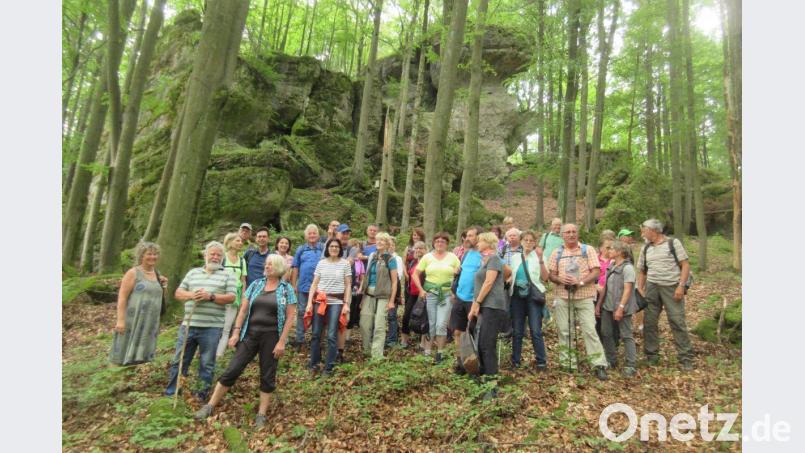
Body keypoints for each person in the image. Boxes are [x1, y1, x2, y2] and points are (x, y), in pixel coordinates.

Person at [194, 255, 297, 428]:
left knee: (267, 375)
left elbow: (290, 317)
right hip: (250, 334)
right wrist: (235, 332)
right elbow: (242, 311)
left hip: (272, 336)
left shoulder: (287, 289)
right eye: (266, 264)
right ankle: (210, 405)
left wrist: (282, 342)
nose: (267, 266)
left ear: (279, 267)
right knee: (233, 368)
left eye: (270, 264)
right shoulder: (256, 284)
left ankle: (261, 415)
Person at [165, 242, 237, 400]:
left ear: (222, 258)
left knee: (206, 363)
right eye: (212, 254)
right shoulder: (193, 273)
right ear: (205, 255)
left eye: (219, 255)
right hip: (188, 325)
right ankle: (172, 393)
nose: (215, 257)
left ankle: (200, 395)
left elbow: (232, 297)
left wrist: (210, 297)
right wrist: (191, 295)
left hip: (212, 327)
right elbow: (178, 292)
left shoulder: (228, 275)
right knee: (180, 360)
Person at [547, 224, 609, 381]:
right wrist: (560, 279)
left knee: (589, 330)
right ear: (562, 235)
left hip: (585, 295)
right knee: (564, 330)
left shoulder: (587, 250)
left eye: (574, 231)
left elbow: (596, 271)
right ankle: (568, 363)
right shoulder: (557, 252)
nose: (571, 234)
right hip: (562, 295)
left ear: (578, 233)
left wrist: (580, 282)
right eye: (567, 232)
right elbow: (551, 275)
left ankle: (598, 364)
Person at [637, 218, 694, 370]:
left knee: (677, 321)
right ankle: (651, 355)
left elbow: (685, 265)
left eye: (644, 229)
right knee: (649, 322)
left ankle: (686, 357)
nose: (642, 232)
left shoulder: (673, 243)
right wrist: (640, 288)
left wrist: (681, 286)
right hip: (652, 287)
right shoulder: (646, 248)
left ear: (653, 230)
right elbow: (642, 270)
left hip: (671, 286)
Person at [467, 232, 511, 400]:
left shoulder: (493, 258)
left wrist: (477, 303)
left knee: (487, 345)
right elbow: (506, 272)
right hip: (483, 306)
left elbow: (489, 282)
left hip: (492, 306)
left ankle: (491, 386)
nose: (477, 243)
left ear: (488, 243)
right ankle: (484, 378)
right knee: (481, 343)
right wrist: (474, 307)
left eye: (480, 240)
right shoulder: (486, 260)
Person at [110, 242, 167, 366]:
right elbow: (122, 297)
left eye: (155, 254)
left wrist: (164, 285)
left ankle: (134, 378)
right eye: (149, 254)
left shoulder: (157, 274)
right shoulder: (133, 273)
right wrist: (120, 320)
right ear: (141, 255)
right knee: (124, 349)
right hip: (133, 319)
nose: (153, 256)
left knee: (143, 353)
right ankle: (117, 377)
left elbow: (158, 296)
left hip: (150, 321)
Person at [412, 232, 460, 363]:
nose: (440, 243)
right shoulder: (427, 257)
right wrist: (421, 290)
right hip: (430, 294)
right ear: (433, 243)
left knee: (441, 325)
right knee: (431, 324)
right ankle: (427, 352)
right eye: (437, 241)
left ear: (447, 244)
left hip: (446, 295)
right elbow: (415, 274)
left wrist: (455, 290)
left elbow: (460, 274)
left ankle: (439, 353)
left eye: (443, 241)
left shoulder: (453, 257)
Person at [306, 238, 352, 376]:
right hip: (320, 301)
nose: (334, 248)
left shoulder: (345, 264)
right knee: (316, 334)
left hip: (336, 302)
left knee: (332, 334)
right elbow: (314, 284)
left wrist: (346, 304)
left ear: (340, 249)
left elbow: (348, 285)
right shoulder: (321, 263)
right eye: (331, 246)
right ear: (327, 248)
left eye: (336, 246)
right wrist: (309, 302)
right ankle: (314, 363)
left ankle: (329, 366)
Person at [596, 240, 639, 376]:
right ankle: (611, 359)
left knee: (626, 335)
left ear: (620, 252)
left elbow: (628, 290)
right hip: (607, 307)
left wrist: (620, 308)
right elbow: (605, 288)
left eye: (612, 249)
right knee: (606, 332)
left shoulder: (628, 268)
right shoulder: (612, 265)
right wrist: (599, 305)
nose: (609, 251)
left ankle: (631, 365)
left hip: (622, 308)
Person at [508, 230, 549, 371]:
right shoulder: (514, 258)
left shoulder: (538, 257)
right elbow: (510, 276)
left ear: (535, 243)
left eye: (531, 240)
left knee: (535, 330)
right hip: (517, 297)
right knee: (517, 330)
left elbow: (545, 277)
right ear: (521, 241)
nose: (528, 243)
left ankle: (541, 361)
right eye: (525, 240)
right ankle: (516, 360)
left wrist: (541, 259)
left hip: (533, 297)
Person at [358, 232, 398, 359]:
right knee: (364, 323)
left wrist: (392, 301)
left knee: (379, 325)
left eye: (382, 240)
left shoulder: (390, 259)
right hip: (369, 294)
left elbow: (395, 281)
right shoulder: (373, 257)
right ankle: (366, 349)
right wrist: (363, 298)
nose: (379, 242)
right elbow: (367, 277)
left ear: (387, 244)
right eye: (378, 240)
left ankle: (377, 354)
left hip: (383, 295)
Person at [450, 226, 483, 374]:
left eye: (470, 236)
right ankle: (461, 363)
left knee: (473, 333)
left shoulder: (485, 256)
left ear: (479, 237)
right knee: (457, 331)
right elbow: (463, 272)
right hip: (460, 297)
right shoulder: (467, 254)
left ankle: (475, 363)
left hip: (473, 300)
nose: (467, 238)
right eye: (466, 236)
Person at [290, 224, 323, 349]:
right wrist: (294, 284)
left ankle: (315, 339)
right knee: (301, 312)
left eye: (314, 233)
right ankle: (299, 339)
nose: (312, 235)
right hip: (303, 286)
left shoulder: (323, 248)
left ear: (318, 235)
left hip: (319, 287)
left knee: (317, 313)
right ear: (306, 236)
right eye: (310, 233)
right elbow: (295, 267)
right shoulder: (301, 249)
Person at [216, 233, 248, 358]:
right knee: (216, 326)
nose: (240, 243)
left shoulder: (242, 260)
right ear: (229, 242)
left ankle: (219, 355)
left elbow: (243, 280)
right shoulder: (222, 258)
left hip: (235, 297)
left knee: (227, 328)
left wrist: (243, 298)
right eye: (237, 240)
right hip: (220, 297)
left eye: (241, 241)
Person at [401, 241, 427, 348]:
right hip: (411, 293)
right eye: (416, 248)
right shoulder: (412, 262)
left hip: (423, 293)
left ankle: (423, 343)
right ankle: (404, 341)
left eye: (421, 248)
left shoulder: (428, 262)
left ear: (425, 250)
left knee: (423, 318)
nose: (418, 250)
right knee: (406, 316)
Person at [385, 236, 406, 347]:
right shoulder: (380, 257)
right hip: (382, 289)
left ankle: (392, 338)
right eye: (389, 245)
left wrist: (398, 294)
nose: (391, 247)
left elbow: (398, 276)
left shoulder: (397, 259)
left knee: (392, 315)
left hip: (394, 288)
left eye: (393, 245)